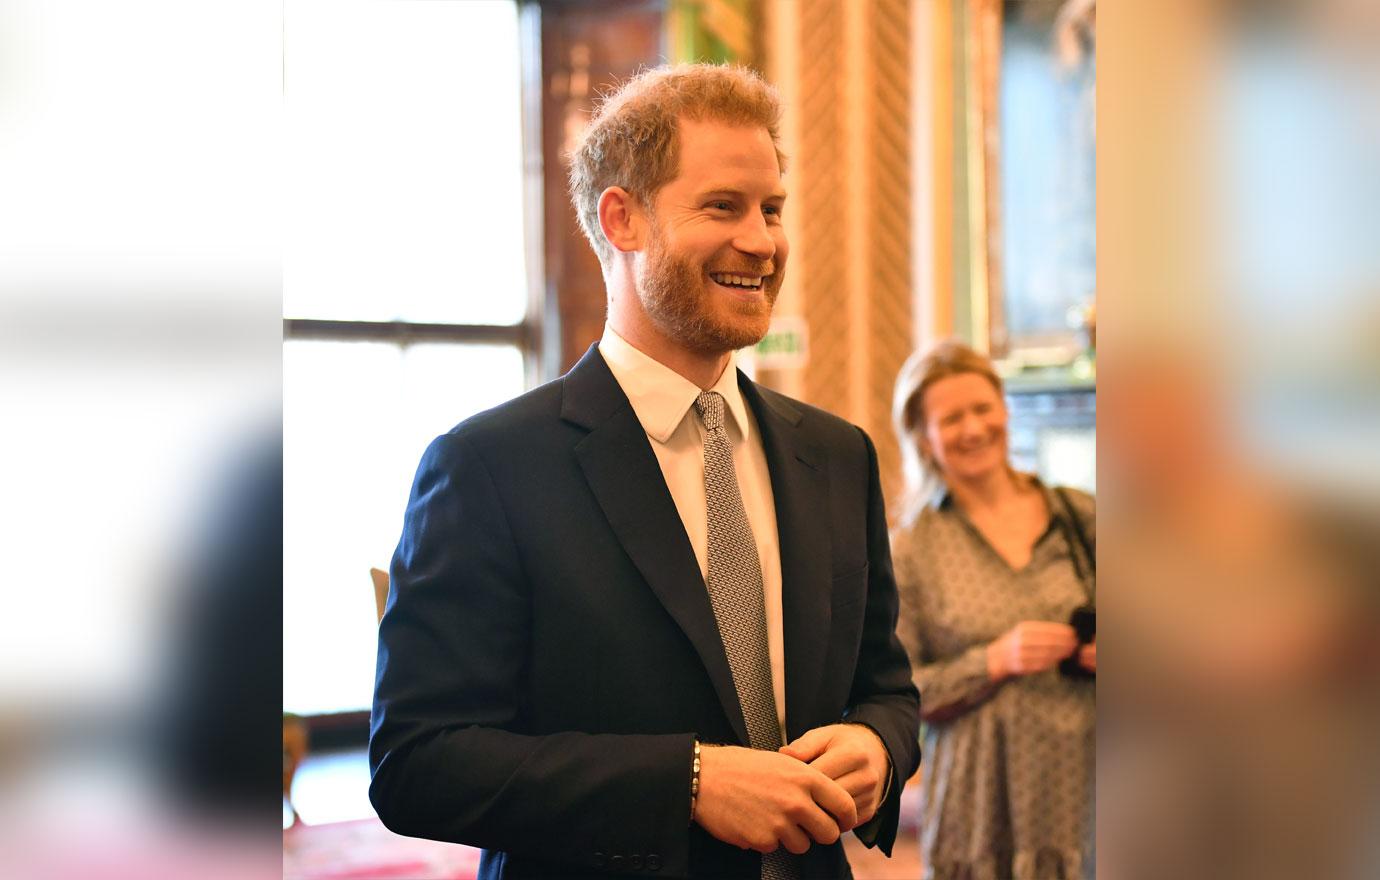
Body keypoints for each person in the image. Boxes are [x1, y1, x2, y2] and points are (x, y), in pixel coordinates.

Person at [369, 63, 921, 880]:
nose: (764, 242)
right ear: (622, 220)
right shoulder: (488, 467)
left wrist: (878, 743)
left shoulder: (837, 455)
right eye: (722, 207)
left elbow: (888, 687)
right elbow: (419, 762)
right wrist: (687, 782)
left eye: (772, 209)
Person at [889, 340, 1095, 880]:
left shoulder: (1081, 515)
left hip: (1090, 792)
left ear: (1005, 409)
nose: (974, 428)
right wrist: (995, 660)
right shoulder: (912, 548)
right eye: (952, 418)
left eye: (982, 408)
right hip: (979, 806)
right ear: (924, 438)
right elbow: (901, 694)